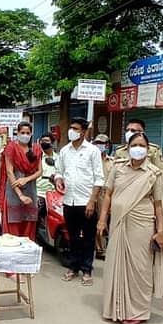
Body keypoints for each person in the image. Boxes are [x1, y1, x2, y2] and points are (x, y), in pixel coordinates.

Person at [97, 132, 163, 324]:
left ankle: (137, 312)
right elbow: (108, 195)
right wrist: (102, 220)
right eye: (134, 144)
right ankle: (117, 308)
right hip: (118, 223)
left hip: (143, 223)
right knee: (117, 264)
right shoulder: (118, 168)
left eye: (142, 145)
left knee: (140, 267)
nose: (138, 148)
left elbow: (159, 206)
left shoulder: (154, 173)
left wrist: (160, 231)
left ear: (148, 149)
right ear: (127, 148)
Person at [55, 118, 105, 286]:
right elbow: (58, 171)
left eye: (75, 128)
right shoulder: (64, 151)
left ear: (83, 131)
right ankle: (73, 267)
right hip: (69, 201)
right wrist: (58, 179)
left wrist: (92, 200)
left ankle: (87, 269)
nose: (72, 131)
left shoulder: (92, 151)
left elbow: (99, 178)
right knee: (73, 237)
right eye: (71, 127)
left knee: (89, 238)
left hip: (86, 202)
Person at [0, 122, 42, 240]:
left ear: (31, 134)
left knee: (29, 223)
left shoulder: (37, 149)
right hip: (14, 191)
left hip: (31, 191)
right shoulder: (11, 148)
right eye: (22, 132)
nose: (25, 135)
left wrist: (26, 179)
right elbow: (9, 172)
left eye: (28, 133)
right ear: (17, 133)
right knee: (13, 225)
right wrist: (20, 195)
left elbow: (40, 171)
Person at [92, 133, 115, 260]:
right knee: (96, 221)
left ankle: (107, 247)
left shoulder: (112, 162)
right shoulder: (91, 160)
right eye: (97, 143)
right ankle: (99, 249)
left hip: (108, 194)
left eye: (103, 143)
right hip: (94, 193)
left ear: (107, 145)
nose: (100, 146)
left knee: (107, 221)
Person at [36, 133, 58, 220]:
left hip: (55, 194)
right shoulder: (37, 157)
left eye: (47, 141)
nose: (44, 143)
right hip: (40, 193)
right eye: (42, 141)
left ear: (52, 143)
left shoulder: (59, 158)